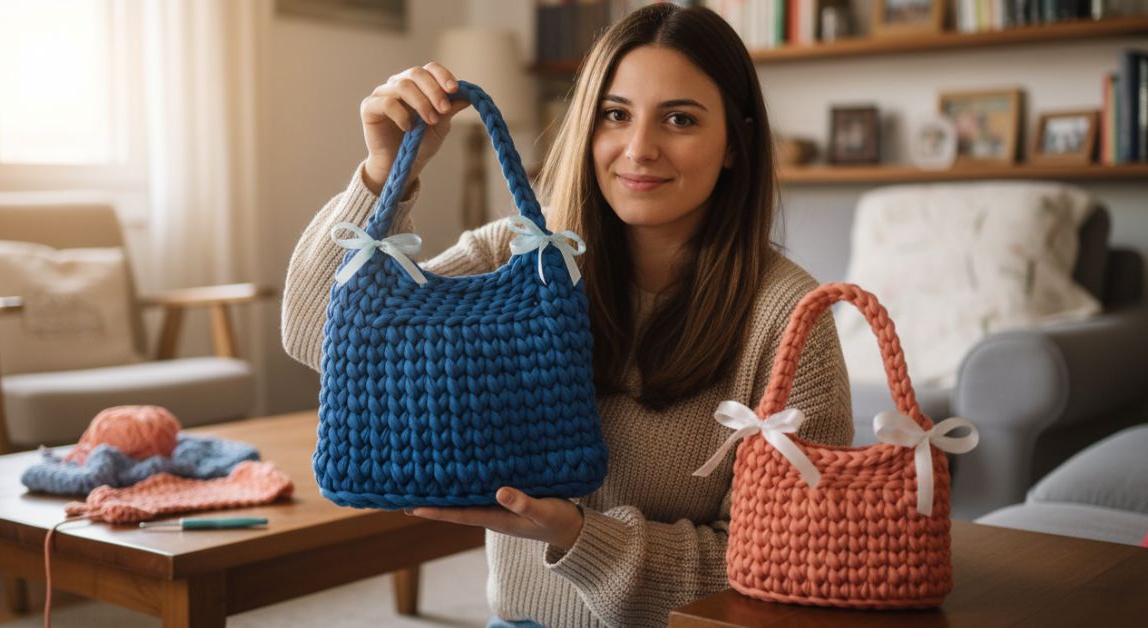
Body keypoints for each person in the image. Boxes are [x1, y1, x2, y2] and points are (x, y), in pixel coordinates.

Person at [282, 5, 853, 627]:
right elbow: (318, 336)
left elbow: (781, 560)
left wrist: (583, 536)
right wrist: (386, 174)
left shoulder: (790, 320)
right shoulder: (516, 252)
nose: (639, 149)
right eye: (616, 114)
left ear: (735, 145)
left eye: (680, 119)